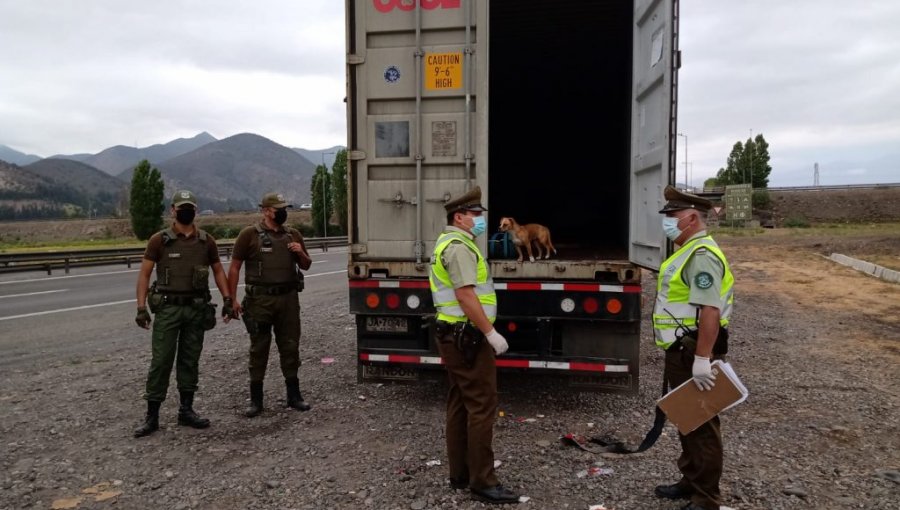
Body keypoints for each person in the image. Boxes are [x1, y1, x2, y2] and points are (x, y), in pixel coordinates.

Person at [428, 186, 519, 505]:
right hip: (466, 337)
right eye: (476, 215)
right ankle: (483, 481)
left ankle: (460, 474)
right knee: (481, 404)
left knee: (459, 401)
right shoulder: (459, 248)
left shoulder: (447, 242)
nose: (481, 220)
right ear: (460, 217)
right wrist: (491, 333)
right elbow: (466, 295)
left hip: (452, 335)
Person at [653, 185, 734, 510]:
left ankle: (706, 498)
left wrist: (702, 358)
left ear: (690, 218)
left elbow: (710, 310)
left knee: (702, 424)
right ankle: (691, 480)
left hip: (692, 353)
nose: (667, 223)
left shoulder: (701, 256)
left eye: (671, 217)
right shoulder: (687, 251)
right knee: (687, 419)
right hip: (681, 351)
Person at [134, 190, 235, 438]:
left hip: (196, 309)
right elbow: (145, 274)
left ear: (195, 211)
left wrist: (228, 299)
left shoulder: (206, 241)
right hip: (168, 309)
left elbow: (218, 271)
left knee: (189, 361)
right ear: (173, 210)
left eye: (190, 207)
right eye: (182, 207)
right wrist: (140, 308)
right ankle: (152, 416)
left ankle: (186, 410)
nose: (186, 211)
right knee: (161, 362)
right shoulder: (160, 240)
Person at [227, 192, 312, 417]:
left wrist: (300, 252)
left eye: (285, 207)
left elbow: (306, 265)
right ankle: (256, 400)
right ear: (265, 210)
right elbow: (234, 267)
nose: (283, 212)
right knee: (259, 349)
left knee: (290, 346)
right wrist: (231, 299)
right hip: (259, 301)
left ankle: (294, 396)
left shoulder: (292, 235)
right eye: (278, 208)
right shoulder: (249, 235)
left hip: (288, 300)